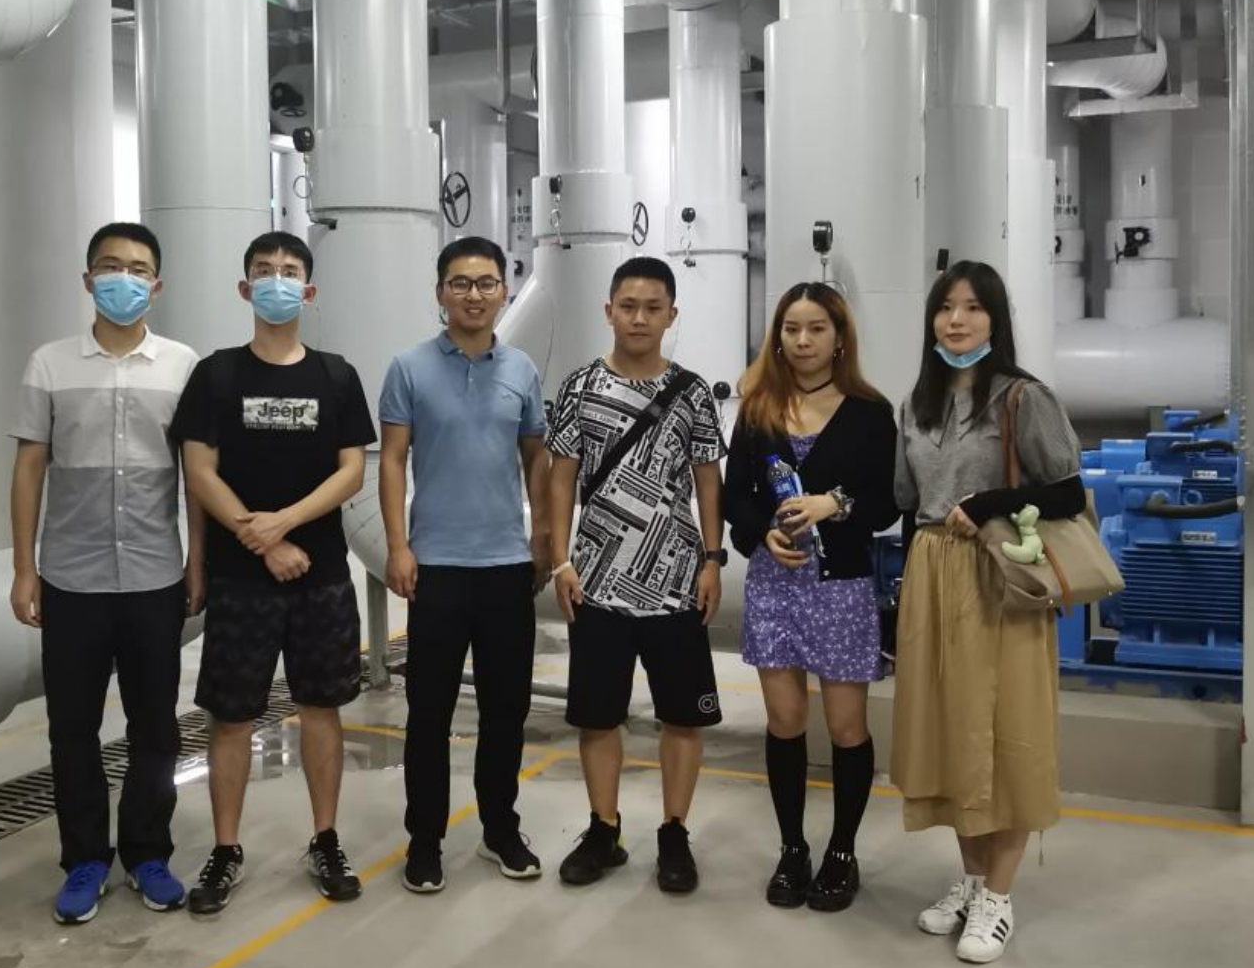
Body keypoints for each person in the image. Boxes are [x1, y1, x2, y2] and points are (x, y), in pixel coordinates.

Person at [172, 231, 377, 913]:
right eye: (264, 271)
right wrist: (258, 541)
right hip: (240, 580)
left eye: (290, 272)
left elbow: (352, 471)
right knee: (231, 717)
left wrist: (281, 524)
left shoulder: (336, 376)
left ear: (308, 291)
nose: (277, 281)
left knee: (322, 708)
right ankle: (225, 849)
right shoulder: (217, 376)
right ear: (245, 288)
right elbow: (199, 471)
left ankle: (325, 839)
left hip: (321, 578)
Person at [891, 260, 1085, 964]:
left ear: (995, 319)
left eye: (973, 307)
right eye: (946, 306)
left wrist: (991, 503)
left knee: (1007, 732)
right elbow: (904, 501)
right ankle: (972, 882)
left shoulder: (1023, 399)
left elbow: (1068, 493)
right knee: (949, 729)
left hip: (1000, 574)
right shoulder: (915, 405)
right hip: (932, 571)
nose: (957, 320)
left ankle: (999, 895)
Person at [10, 222, 201, 925]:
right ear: (88, 280)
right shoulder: (50, 364)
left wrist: (197, 561)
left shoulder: (182, 366)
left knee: (156, 727)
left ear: (158, 284)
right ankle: (85, 859)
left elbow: (196, 473)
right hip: (72, 577)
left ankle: (148, 852)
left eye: (138, 268)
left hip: (154, 575)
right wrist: (24, 568)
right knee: (72, 729)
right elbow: (29, 468)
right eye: (111, 266)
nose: (125, 278)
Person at [545, 256, 727, 894]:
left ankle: (674, 831)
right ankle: (604, 828)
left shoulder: (692, 392)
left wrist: (713, 559)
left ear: (671, 315)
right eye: (628, 306)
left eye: (653, 308)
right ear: (609, 311)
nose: (640, 318)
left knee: (683, 717)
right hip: (596, 582)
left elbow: (708, 481)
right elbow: (560, 479)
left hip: (676, 581)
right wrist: (561, 559)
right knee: (598, 717)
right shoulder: (579, 387)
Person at [380, 237, 551, 893]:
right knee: (429, 714)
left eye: (486, 283)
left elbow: (536, 457)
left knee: (506, 711)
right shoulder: (409, 367)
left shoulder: (522, 370)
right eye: (460, 283)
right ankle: (425, 839)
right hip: (437, 567)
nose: (473, 294)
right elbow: (392, 460)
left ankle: (500, 829)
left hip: (507, 565)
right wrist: (399, 546)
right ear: (440, 293)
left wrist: (543, 536)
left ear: (504, 292)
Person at [724, 283, 898, 913]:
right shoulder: (758, 408)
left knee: (847, 726)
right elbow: (735, 497)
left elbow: (888, 501)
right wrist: (760, 534)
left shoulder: (870, 413)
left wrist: (835, 503)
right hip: (776, 583)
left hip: (841, 585)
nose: (802, 340)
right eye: (792, 328)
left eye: (816, 328)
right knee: (784, 720)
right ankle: (792, 848)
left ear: (839, 337)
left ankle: (842, 852)